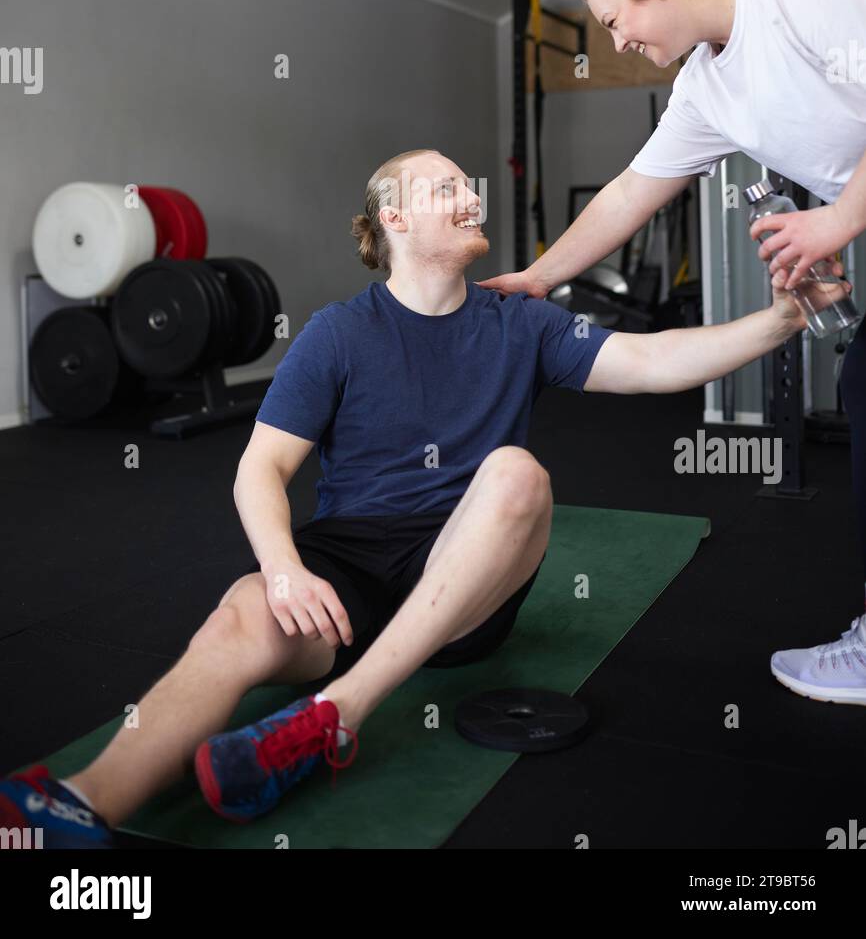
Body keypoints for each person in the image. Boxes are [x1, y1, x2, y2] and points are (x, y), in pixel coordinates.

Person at [0, 149, 847, 845]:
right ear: (394, 220)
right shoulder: (339, 332)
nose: (468, 194)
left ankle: (335, 717)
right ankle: (78, 804)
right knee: (242, 611)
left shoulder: (521, 321)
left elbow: (654, 361)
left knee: (517, 473)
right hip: (351, 570)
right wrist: (287, 570)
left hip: (468, 577)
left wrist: (778, 321)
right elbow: (260, 469)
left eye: (465, 184)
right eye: (445, 187)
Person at [481, 0, 866, 705]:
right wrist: (542, 276)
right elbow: (631, 192)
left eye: (618, 21)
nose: (619, 42)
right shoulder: (706, 86)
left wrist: (836, 219)